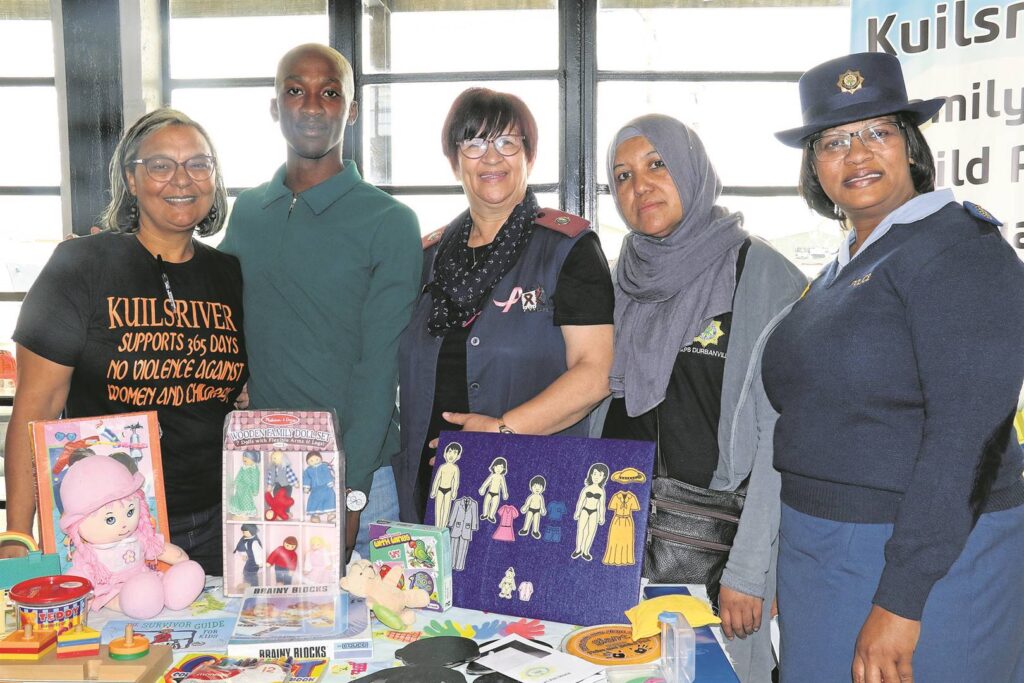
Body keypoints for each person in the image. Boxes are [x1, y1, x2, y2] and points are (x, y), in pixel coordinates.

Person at [766, 52, 1024, 682]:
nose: (856, 155)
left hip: (926, 559)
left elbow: (970, 436)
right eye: (833, 141)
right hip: (826, 552)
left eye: (877, 132)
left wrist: (902, 598)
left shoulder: (958, 247)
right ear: (814, 167)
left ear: (910, 147)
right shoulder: (848, 263)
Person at [598, 114, 806, 682]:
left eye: (656, 165)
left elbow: (778, 442)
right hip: (616, 542)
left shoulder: (763, 277)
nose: (640, 187)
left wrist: (751, 570)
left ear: (692, 168)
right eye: (621, 176)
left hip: (714, 547)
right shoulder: (620, 278)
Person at [2, 108, 247, 575]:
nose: (182, 179)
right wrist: (18, 531)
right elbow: (35, 408)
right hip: (110, 529)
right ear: (131, 180)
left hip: (221, 522)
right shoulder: (80, 266)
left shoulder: (229, 275)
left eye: (199, 163)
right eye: (160, 165)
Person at [219, 44, 422, 558]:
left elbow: (381, 368)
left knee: (373, 634)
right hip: (260, 472)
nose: (312, 106)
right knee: (270, 632)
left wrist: (347, 495)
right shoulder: (248, 212)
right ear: (275, 107)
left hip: (357, 478)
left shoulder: (389, 221)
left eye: (329, 92)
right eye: (295, 90)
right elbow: (212, 308)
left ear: (351, 110)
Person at [395, 87, 614, 523]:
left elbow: (597, 373)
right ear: (455, 161)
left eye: (507, 142)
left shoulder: (568, 249)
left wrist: (500, 431)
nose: (491, 157)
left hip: (530, 487)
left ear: (528, 157)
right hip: (428, 489)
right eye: (474, 143)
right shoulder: (426, 259)